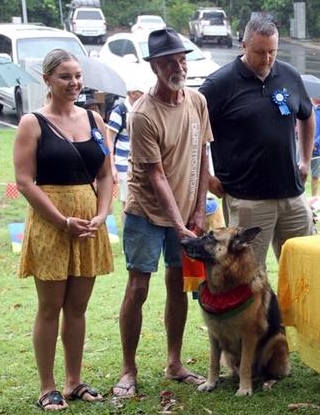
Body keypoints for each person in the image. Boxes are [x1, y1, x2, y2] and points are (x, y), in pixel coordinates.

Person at [113, 28, 212, 398]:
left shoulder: (198, 102)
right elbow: (155, 175)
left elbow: (204, 156)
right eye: (169, 60)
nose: (178, 66)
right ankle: (128, 369)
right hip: (147, 212)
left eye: (182, 58)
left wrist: (198, 212)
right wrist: (179, 224)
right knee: (138, 287)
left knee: (178, 283)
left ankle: (174, 362)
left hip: (186, 214)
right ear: (154, 66)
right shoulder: (143, 115)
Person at [13, 49, 114, 410]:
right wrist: (61, 220)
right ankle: (47, 386)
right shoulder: (32, 122)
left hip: (88, 225)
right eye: (65, 77)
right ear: (48, 80)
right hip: (52, 223)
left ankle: (74, 381)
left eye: (77, 76)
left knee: (77, 307)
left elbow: (105, 174)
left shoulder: (94, 119)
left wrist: (103, 214)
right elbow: (25, 182)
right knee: (50, 306)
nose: (74, 83)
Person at [199, 17, 315, 269]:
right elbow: (192, 132)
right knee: (246, 274)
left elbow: (307, 114)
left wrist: (305, 159)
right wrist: (206, 176)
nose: (267, 59)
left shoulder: (289, 75)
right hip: (247, 198)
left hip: (292, 195)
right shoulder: (218, 84)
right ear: (243, 46)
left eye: (272, 51)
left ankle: (291, 311)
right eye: (260, 52)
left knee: (306, 270)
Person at [106, 79, 146, 214]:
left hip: (142, 163)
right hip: (123, 164)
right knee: (128, 203)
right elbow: (109, 139)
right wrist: (112, 166)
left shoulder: (144, 108)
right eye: (141, 93)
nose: (144, 96)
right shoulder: (120, 111)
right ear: (132, 93)